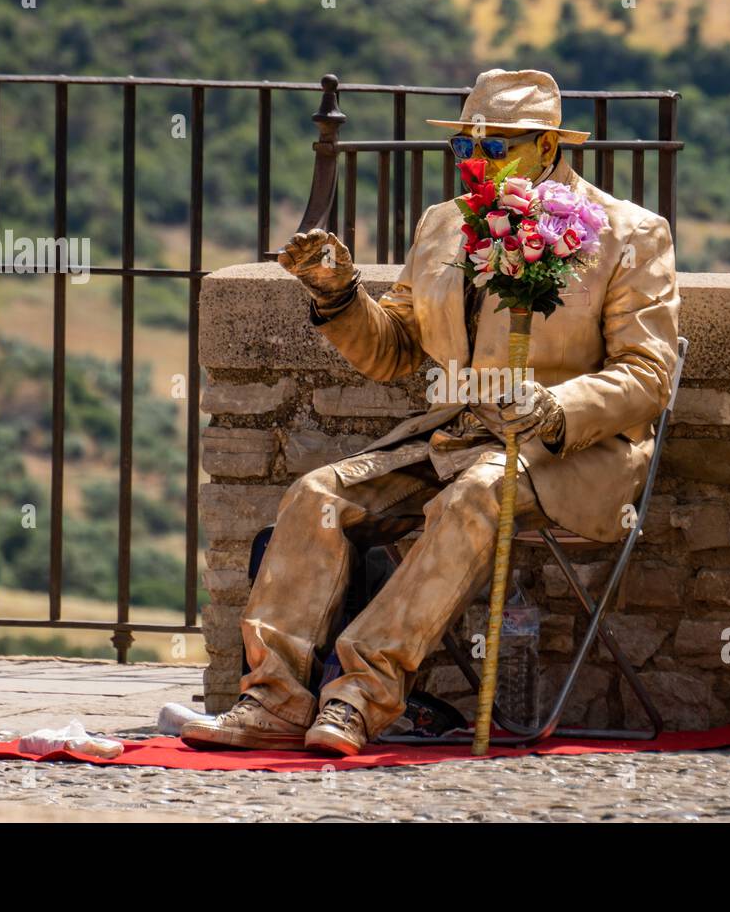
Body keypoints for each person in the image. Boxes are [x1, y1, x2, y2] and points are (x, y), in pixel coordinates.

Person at [183, 68, 680, 756]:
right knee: (317, 495)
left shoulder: (629, 234)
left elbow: (647, 375)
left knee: (477, 496)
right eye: (464, 149)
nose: (476, 163)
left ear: (546, 148)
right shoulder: (444, 224)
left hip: (567, 457)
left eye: (495, 147)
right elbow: (394, 350)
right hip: (452, 439)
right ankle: (273, 698)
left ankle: (360, 697)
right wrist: (339, 295)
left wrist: (551, 405)